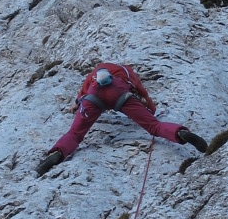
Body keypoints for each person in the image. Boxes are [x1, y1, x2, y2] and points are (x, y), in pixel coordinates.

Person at [37, 62, 208, 176]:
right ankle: (180, 133)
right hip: (119, 93)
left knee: (75, 133)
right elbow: (143, 93)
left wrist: (76, 104)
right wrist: (150, 109)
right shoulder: (127, 72)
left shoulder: (95, 72)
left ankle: (57, 153)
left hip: (93, 95)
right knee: (154, 126)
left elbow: (84, 90)